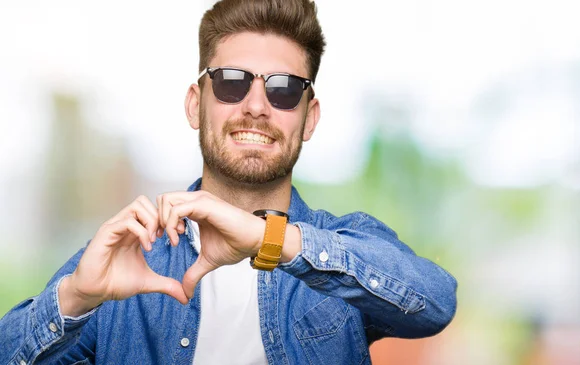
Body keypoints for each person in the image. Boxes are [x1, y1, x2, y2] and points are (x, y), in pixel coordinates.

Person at [0, 0, 457, 364]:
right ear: (195, 104)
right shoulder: (129, 257)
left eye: (283, 89)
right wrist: (77, 297)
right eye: (233, 82)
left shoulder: (340, 244)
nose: (256, 106)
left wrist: (268, 238)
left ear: (309, 117)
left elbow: (435, 302)